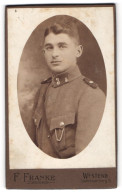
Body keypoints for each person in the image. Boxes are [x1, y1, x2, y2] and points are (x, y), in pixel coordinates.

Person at [33, 20, 105, 159]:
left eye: (62, 46)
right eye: (49, 47)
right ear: (43, 52)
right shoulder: (43, 90)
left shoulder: (90, 95)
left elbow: (85, 161)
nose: (54, 54)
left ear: (78, 51)